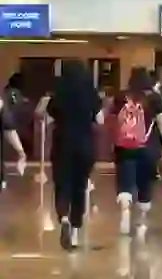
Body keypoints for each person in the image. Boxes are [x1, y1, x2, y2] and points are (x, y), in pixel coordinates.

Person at [45, 60, 100, 250]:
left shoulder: (59, 92)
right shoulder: (89, 91)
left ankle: (64, 218)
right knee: (80, 186)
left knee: (62, 184)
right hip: (84, 144)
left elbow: (49, 113)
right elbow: (99, 118)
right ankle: (75, 234)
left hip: (62, 144)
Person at [112, 67, 162, 238]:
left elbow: (114, 121)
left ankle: (125, 211)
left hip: (124, 146)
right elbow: (161, 122)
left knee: (125, 180)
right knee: (144, 182)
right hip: (147, 147)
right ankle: (141, 217)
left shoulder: (121, 97)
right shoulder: (154, 97)